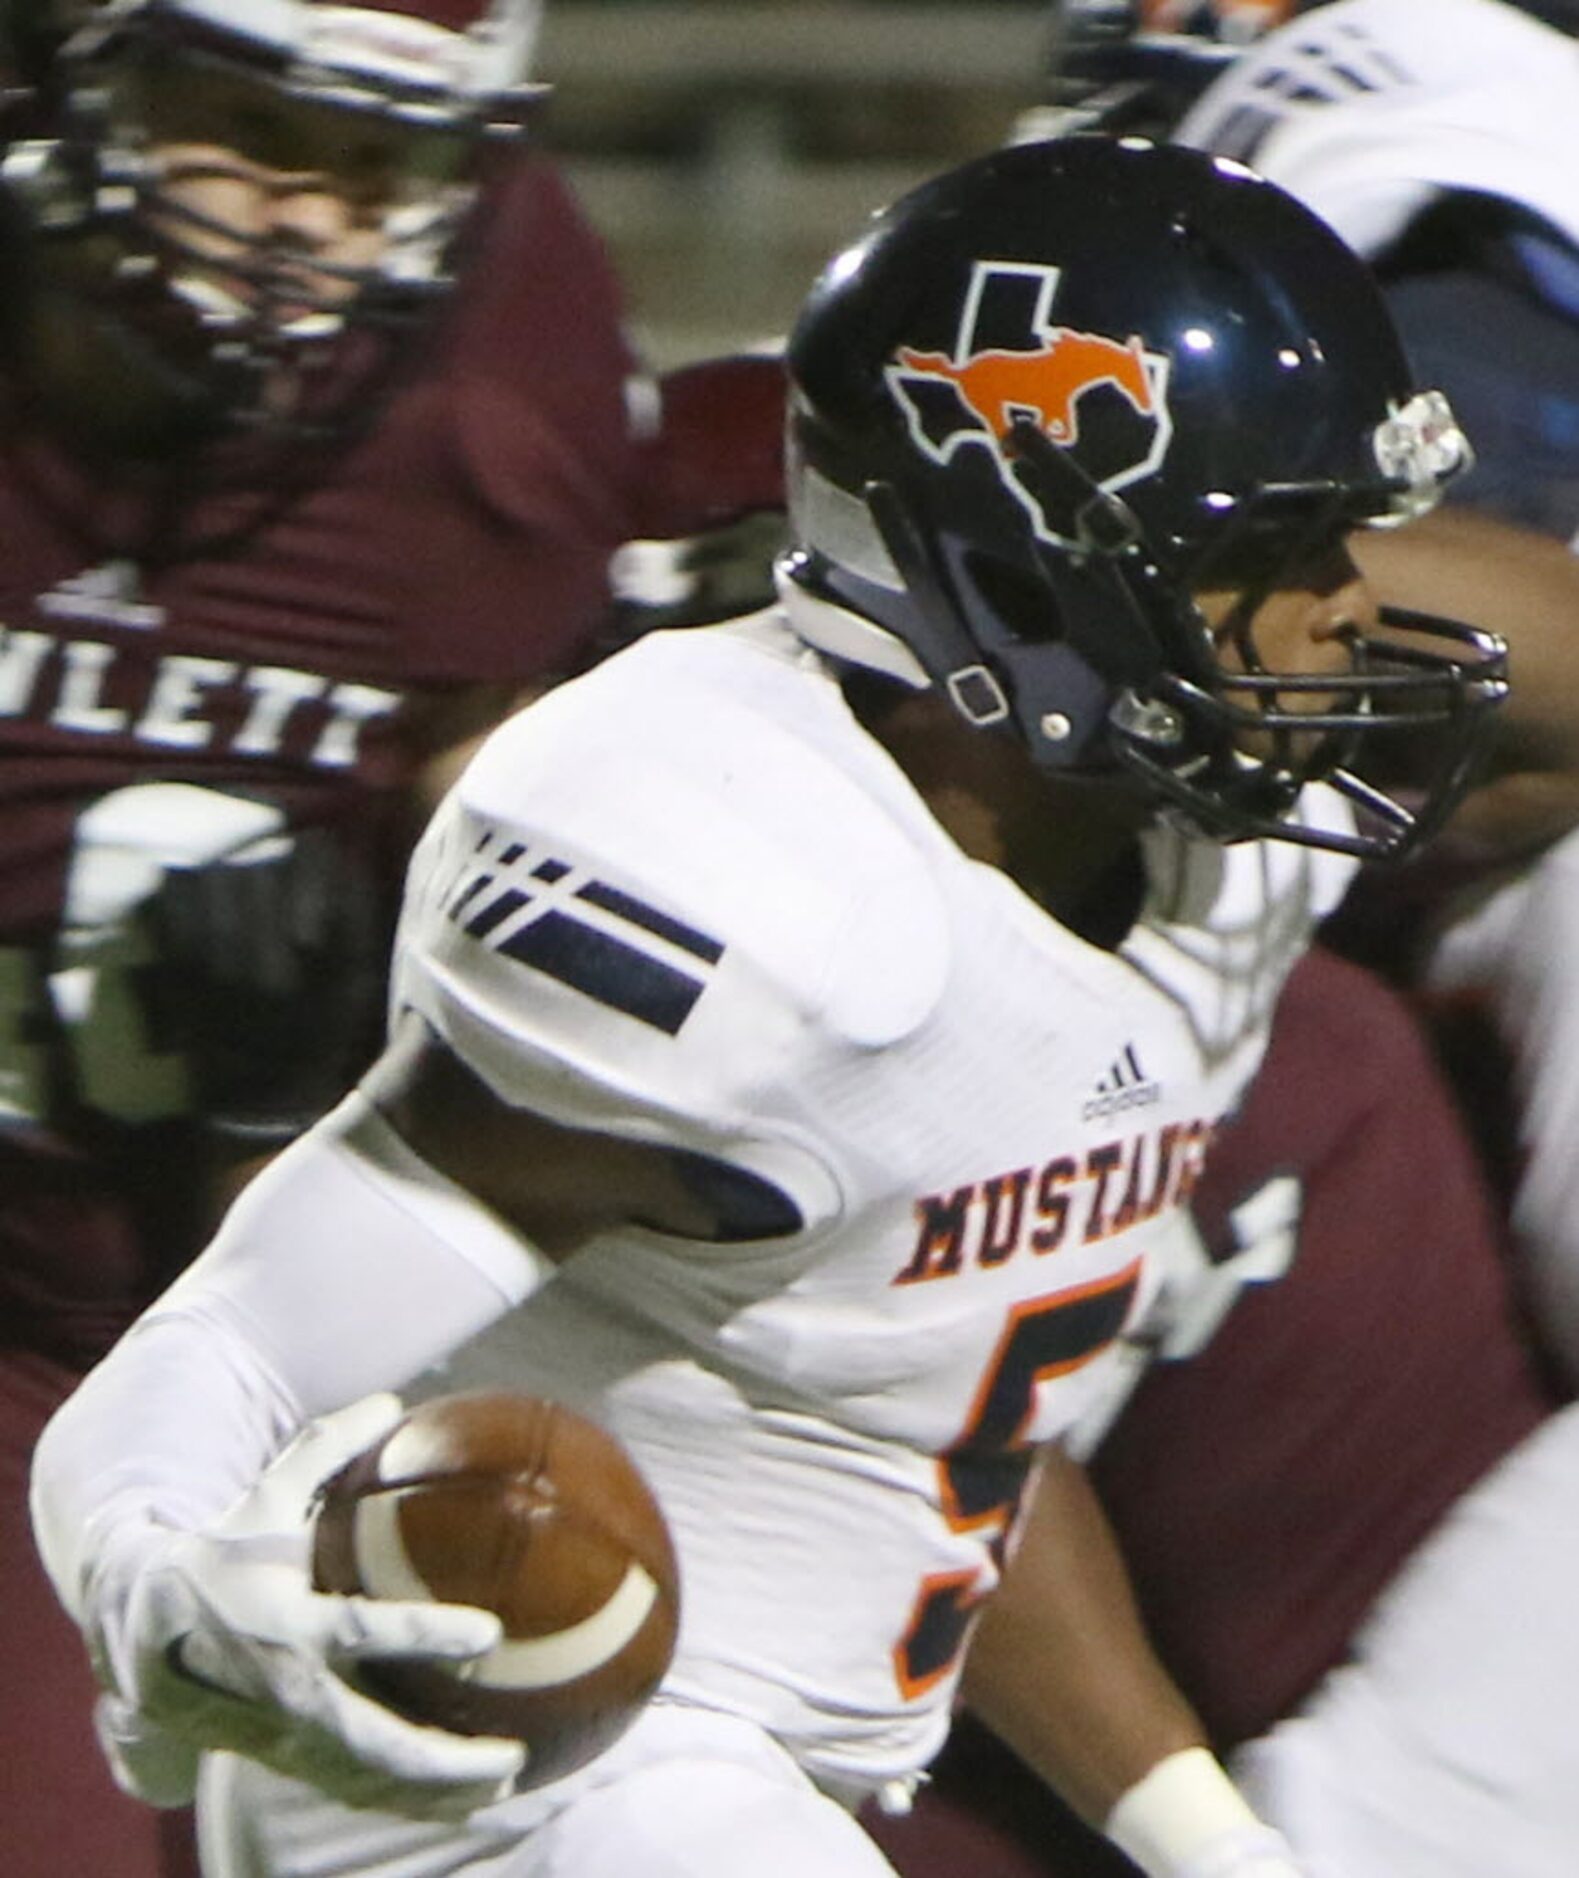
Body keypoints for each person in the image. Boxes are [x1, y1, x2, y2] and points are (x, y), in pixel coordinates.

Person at [27, 134, 1509, 1878]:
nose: (1354, 608)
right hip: (508, 1762)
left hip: (768, 1766)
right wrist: (157, 1575)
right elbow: (242, 1337)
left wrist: (1217, 1845)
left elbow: (931, 1444)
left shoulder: (1208, 853)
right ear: (1030, 576)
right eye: (1284, 546)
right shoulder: (751, 889)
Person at [0, 4, 650, 1875]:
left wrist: (343, 1016)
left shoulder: (499, 364)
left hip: (194, 1301)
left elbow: (496, 874)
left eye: (372, 162)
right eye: (244, 124)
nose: (302, 219)